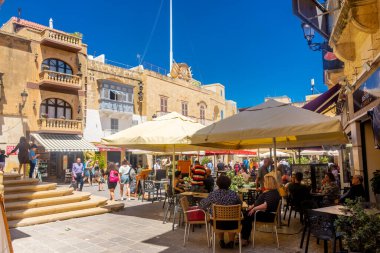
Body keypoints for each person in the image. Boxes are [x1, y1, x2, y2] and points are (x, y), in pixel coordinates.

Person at [199, 175, 242, 249]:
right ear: (229, 184)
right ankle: (231, 242)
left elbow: (203, 205)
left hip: (217, 223)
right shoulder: (234, 194)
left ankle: (221, 241)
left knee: (217, 217)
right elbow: (240, 205)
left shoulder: (213, 194)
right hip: (233, 223)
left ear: (218, 184)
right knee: (233, 218)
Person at [241, 174, 281, 246]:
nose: (263, 182)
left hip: (267, 215)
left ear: (268, 183)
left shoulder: (272, 193)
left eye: (264, 181)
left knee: (246, 216)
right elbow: (260, 202)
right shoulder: (272, 192)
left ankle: (244, 238)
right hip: (266, 213)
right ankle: (244, 237)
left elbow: (266, 205)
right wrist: (252, 206)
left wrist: (254, 209)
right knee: (244, 214)